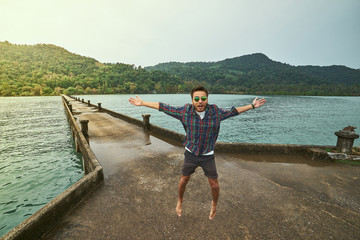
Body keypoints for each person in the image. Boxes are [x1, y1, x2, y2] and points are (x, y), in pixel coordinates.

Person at [128, 86, 266, 219]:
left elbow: (233, 111)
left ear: (207, 99)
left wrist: (252, 106)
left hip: (207, 155)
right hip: (191, 154)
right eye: (197, 99)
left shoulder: (215, 112)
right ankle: (180, 201)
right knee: (183, 180)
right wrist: (142, 103)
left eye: (203, 98)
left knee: (215, 185)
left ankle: (214, 204)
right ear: (192, 100)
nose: (200, 101)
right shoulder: (185, 112)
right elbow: (163, 107)